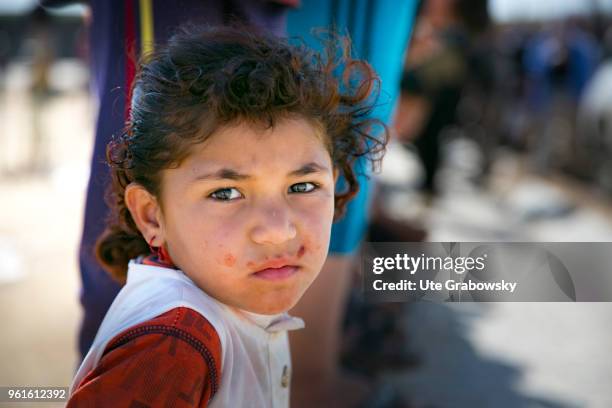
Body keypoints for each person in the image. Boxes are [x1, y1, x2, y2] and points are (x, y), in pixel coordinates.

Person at [67, 25, 387, 407]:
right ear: (152, 216)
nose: (277, 230)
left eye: (302, 187)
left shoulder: (227, 303)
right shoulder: (171, 348)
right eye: (226, 193)